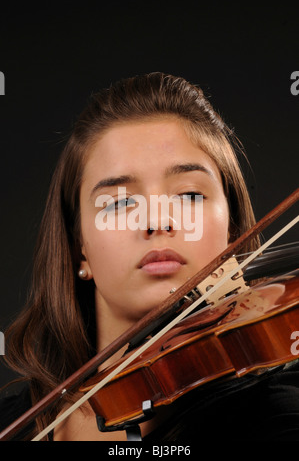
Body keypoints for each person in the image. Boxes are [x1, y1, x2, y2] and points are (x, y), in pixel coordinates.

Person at [1, 72, 299, 442]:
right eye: (122, 202)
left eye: (189, 195)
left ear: (233, 232)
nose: (157, 219)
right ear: (81, 249)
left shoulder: (276, 417)